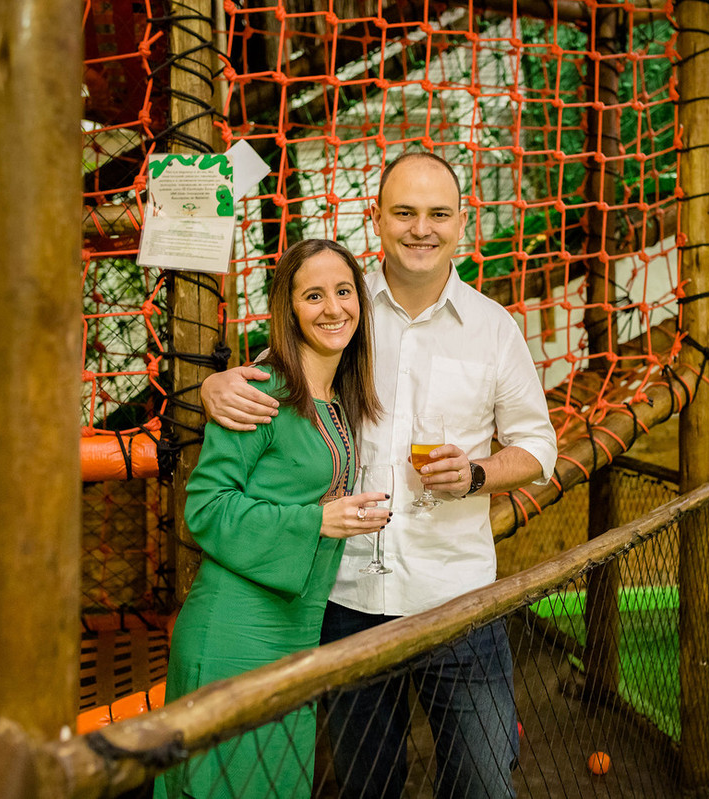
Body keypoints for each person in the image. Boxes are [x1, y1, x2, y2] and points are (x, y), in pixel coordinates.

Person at [200, 151, 558, 798]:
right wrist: (214, 385)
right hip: (347, 598)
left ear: (462, 221)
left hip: (457, 598)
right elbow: (272, 378)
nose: (421, 228)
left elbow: (538, 448)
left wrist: (477, 473)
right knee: (367, 786)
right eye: (404, 212)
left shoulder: (493, 328)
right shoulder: (341, 308)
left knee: (483, 783)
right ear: (377, 218)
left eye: (438, 214)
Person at [156, 239, 389, 799]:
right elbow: (205, 506)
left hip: (296, 634)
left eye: (344, 291)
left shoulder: (337, 397)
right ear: (289, 308)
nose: (333, 308)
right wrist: (315, 522)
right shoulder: (261, 390)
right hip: (234, 634)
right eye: (314, 295)